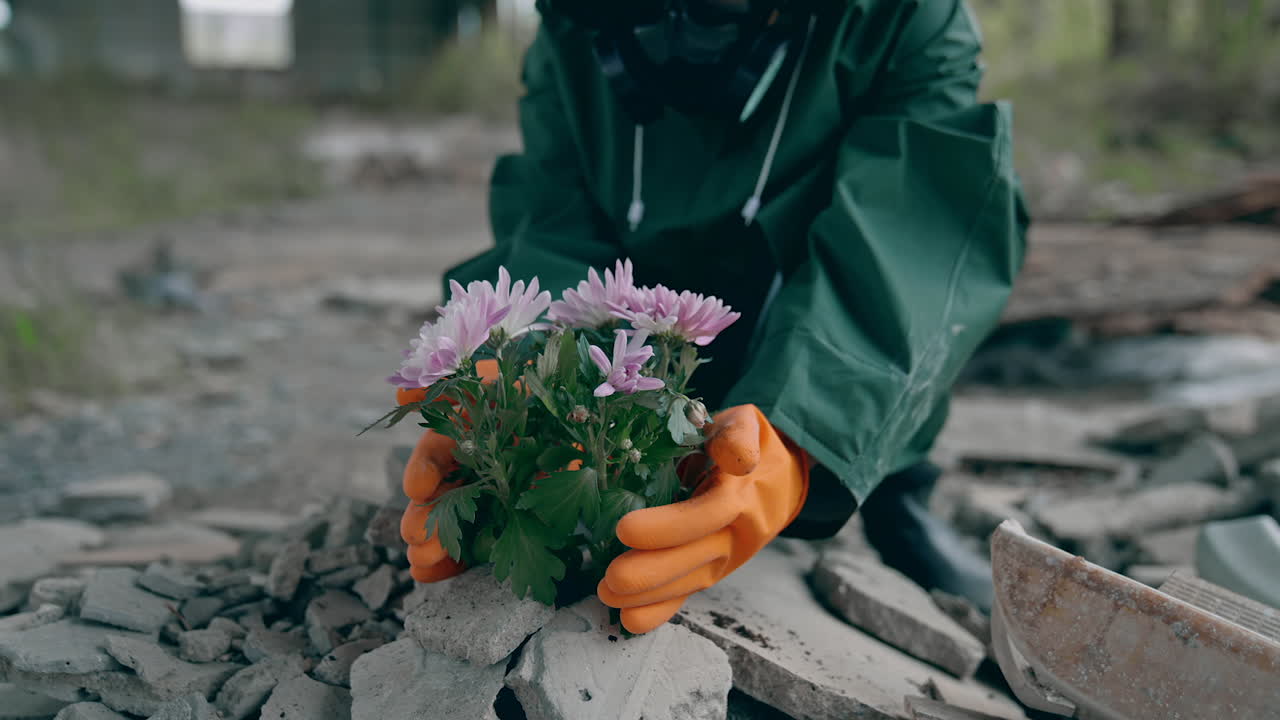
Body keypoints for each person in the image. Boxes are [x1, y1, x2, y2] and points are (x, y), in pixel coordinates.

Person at [398, 0, 1029, 634]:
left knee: (882, 368)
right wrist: (520, 385)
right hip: (624, 376)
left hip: (808, 333)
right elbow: (552, 220)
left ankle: (888, 489)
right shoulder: (574, 21)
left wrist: (801, 437)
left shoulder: (906, 19)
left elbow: (914, 240)